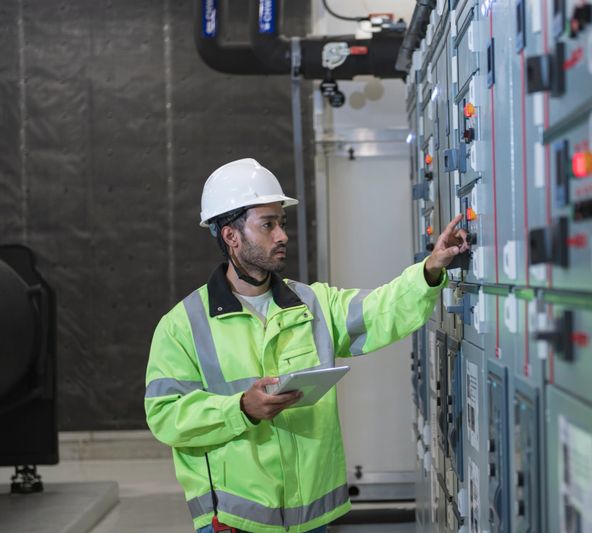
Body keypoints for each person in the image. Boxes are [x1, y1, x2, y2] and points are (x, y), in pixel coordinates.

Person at [144, 158, 469, 533]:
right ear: (231, 236)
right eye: (267, 224)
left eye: (281, 223)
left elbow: (382, 310)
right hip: (234, 521)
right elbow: (166, 416)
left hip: (310, 520)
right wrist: (241, 408)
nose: (282, 235)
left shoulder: (312, 305)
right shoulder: (182, 325)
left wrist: (430, 268)